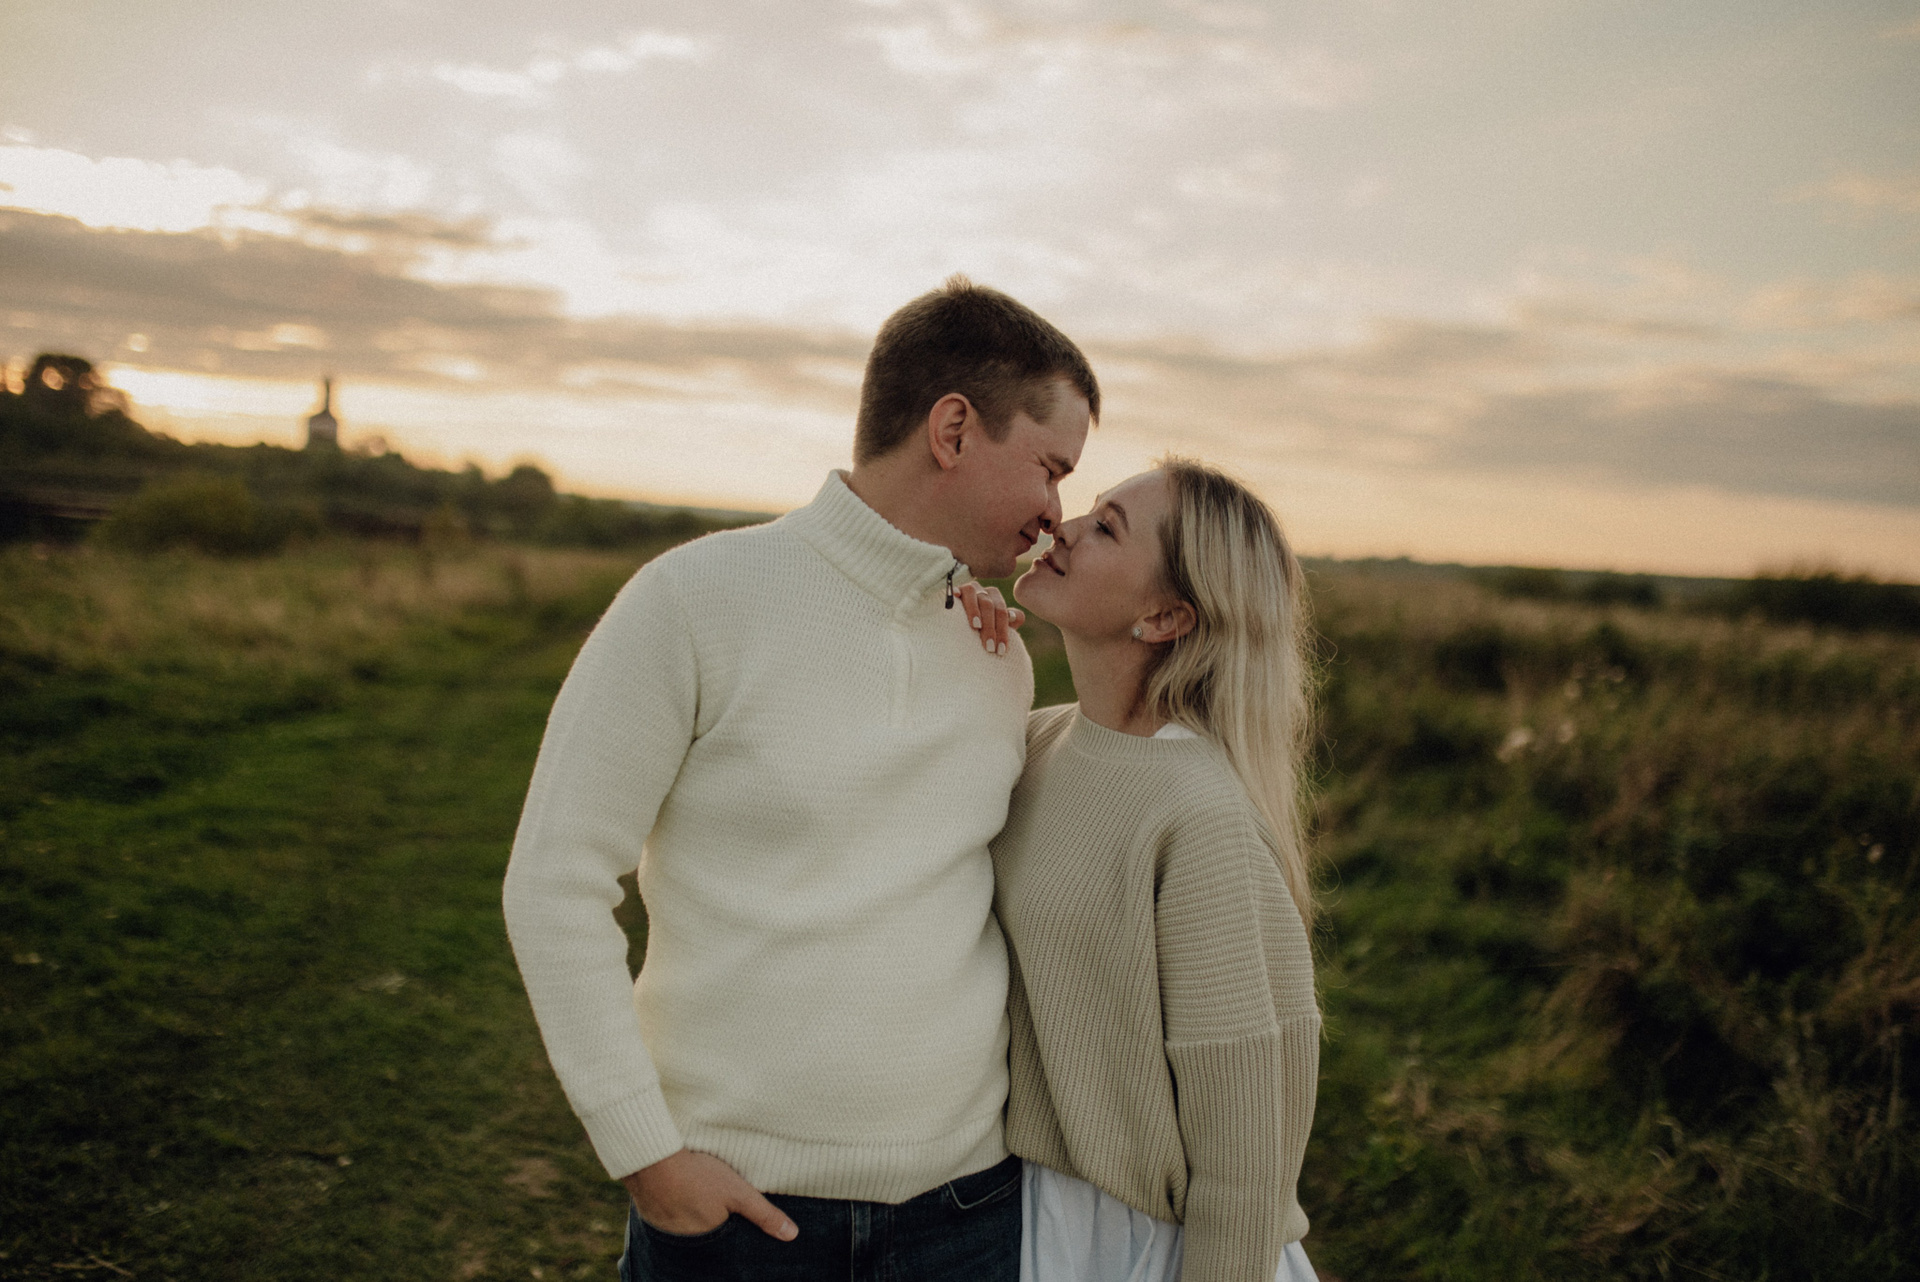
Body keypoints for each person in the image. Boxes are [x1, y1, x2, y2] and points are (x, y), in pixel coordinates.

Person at [500, 276, 1098, 1282]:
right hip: (739, 1217)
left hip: (968, 1213)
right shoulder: (692, 600)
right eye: (1051, 468)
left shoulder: (996, 652)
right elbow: (552, 882)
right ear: (953, 429)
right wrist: (644, 1153)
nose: (1056, 512)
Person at [959, 457, 1321, 1282]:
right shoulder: (1041, 741)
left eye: (1106, 528)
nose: (1062, 528)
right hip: (1025, 1213)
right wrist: (955, 654)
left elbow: (1245, 1157)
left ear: (1163, 617)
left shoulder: (1201, 816)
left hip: (1143, 1247)